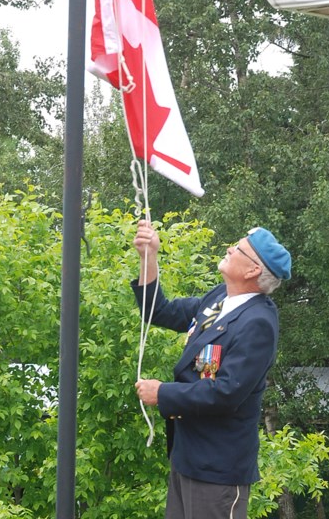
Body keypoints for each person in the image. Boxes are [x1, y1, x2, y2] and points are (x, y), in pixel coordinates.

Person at [132, 220, 292, 519]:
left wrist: (163, 393)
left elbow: (226, 393)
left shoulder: (257, 323)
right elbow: (159, 310)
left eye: (240, 248)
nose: (230, 248)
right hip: (189, 457)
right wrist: (148, 257)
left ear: (252, 270)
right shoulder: (221, 298)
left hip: (218, 470)